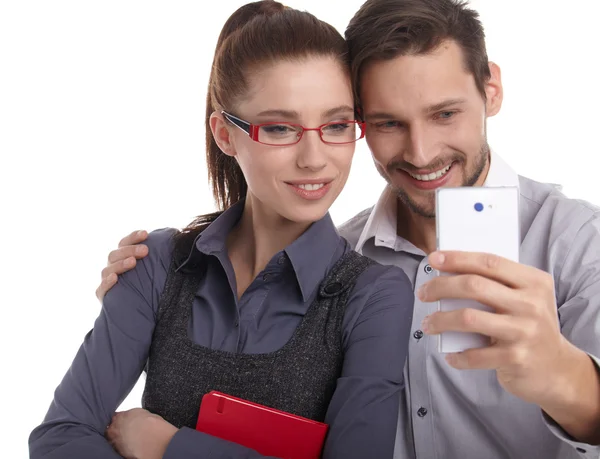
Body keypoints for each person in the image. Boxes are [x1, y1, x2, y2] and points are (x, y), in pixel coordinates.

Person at [98, 0, 600, 458]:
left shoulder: (577, 243)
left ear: (490, 89)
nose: (421, 153)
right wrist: (155, 302)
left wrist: (564, 376)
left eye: (445, 114)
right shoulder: (338, 261)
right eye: (387, 123)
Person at [29, 2, 416, 458]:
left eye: (335, 125)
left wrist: (169, 447)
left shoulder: (373, 295)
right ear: (225, 134)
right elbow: (60, 436)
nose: (314, 158)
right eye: (278, 128)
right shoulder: (156, 264)